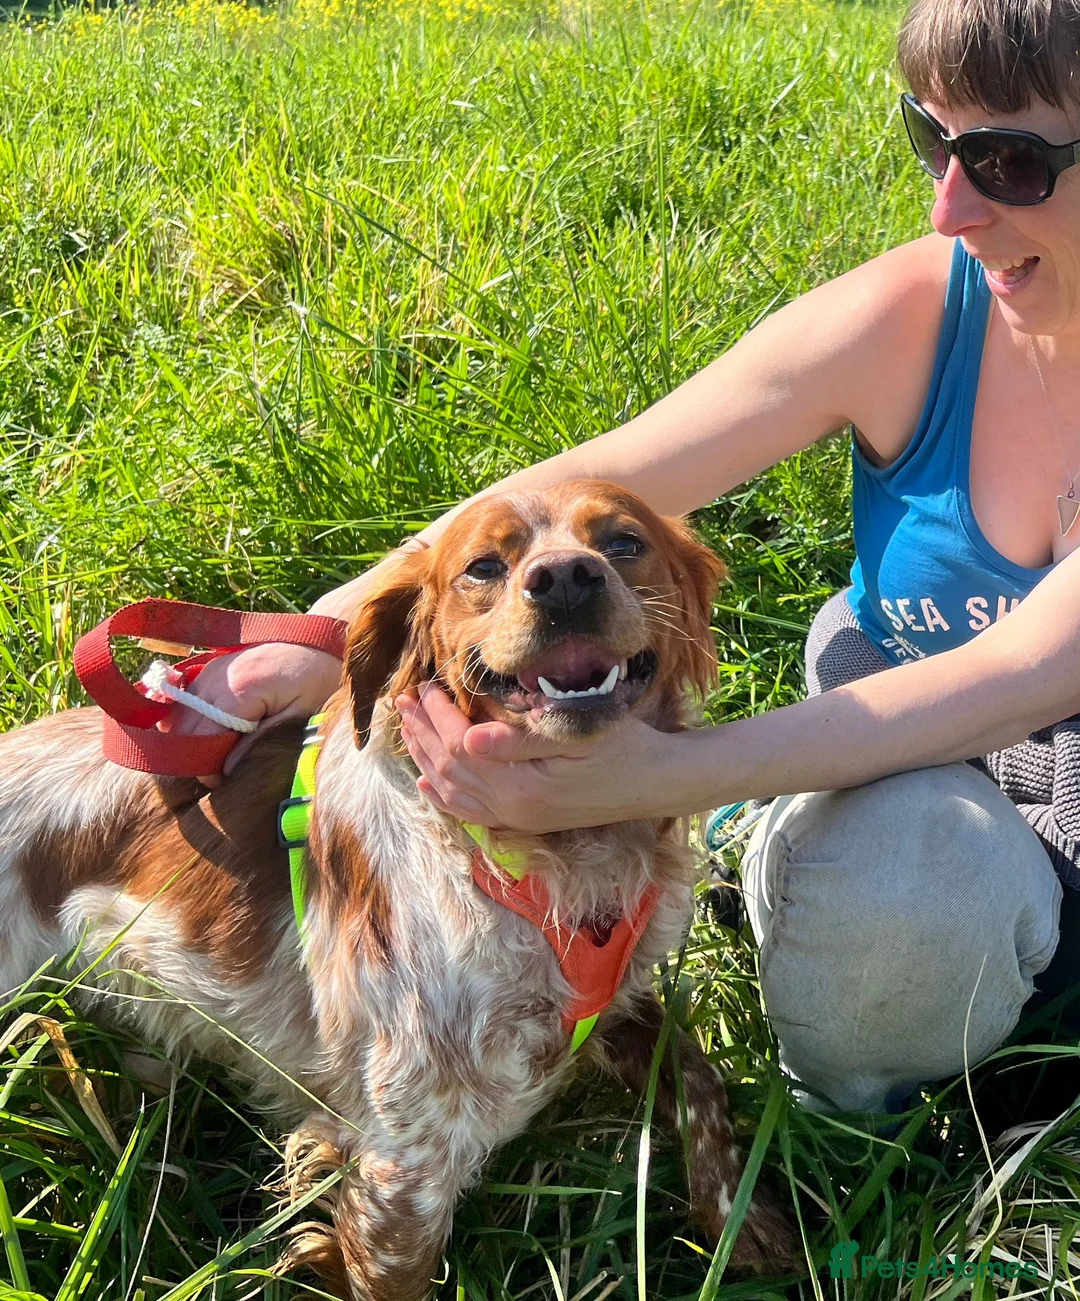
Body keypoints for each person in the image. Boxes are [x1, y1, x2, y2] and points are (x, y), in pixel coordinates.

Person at [173, 0, 1080, 1114]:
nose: (949, 207)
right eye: (930, 140)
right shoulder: (915, 313)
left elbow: (1033, 672)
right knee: (887, 925)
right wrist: (324, 630)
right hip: (904, 773)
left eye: (1007, 162)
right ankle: (855, 1059)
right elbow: (596, 477)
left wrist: (656, 777)